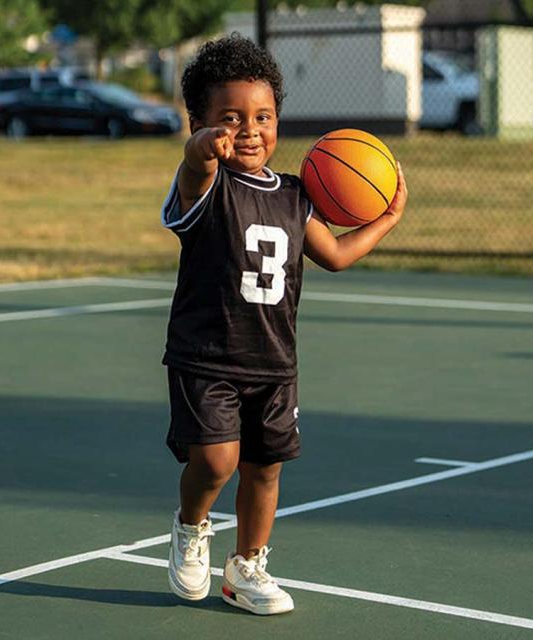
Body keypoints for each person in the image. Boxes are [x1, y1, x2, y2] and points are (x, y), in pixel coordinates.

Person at [160, 33, 408, 616]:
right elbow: (195, 162)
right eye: (230, 118)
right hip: (207, 358)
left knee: (264, 468)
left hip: (274, 362)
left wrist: (390, 217)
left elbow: (336, 255)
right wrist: (201, 147)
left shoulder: (295, 196)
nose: (249, 129)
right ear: (198, 121)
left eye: (263, 116)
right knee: (217, 461)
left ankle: (247, 568)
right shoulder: (205, 187)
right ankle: (190, 528)